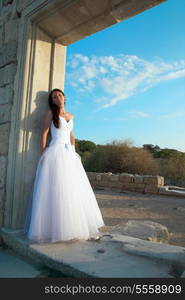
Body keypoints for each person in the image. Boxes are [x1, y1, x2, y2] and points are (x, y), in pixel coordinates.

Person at [24, 88, 105, 243]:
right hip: (55, 152)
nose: (57, 97)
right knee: (56, 189)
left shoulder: (70, 116)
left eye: (59, 95)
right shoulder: (50, 114)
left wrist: (74, 153)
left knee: (72, 189)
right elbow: (44, 134)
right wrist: (43, 154)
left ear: (64, 98)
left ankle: (74, 227)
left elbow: (72, 136)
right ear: (52, 101)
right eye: (54, 96)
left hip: (69, 154)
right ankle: (54, 229)